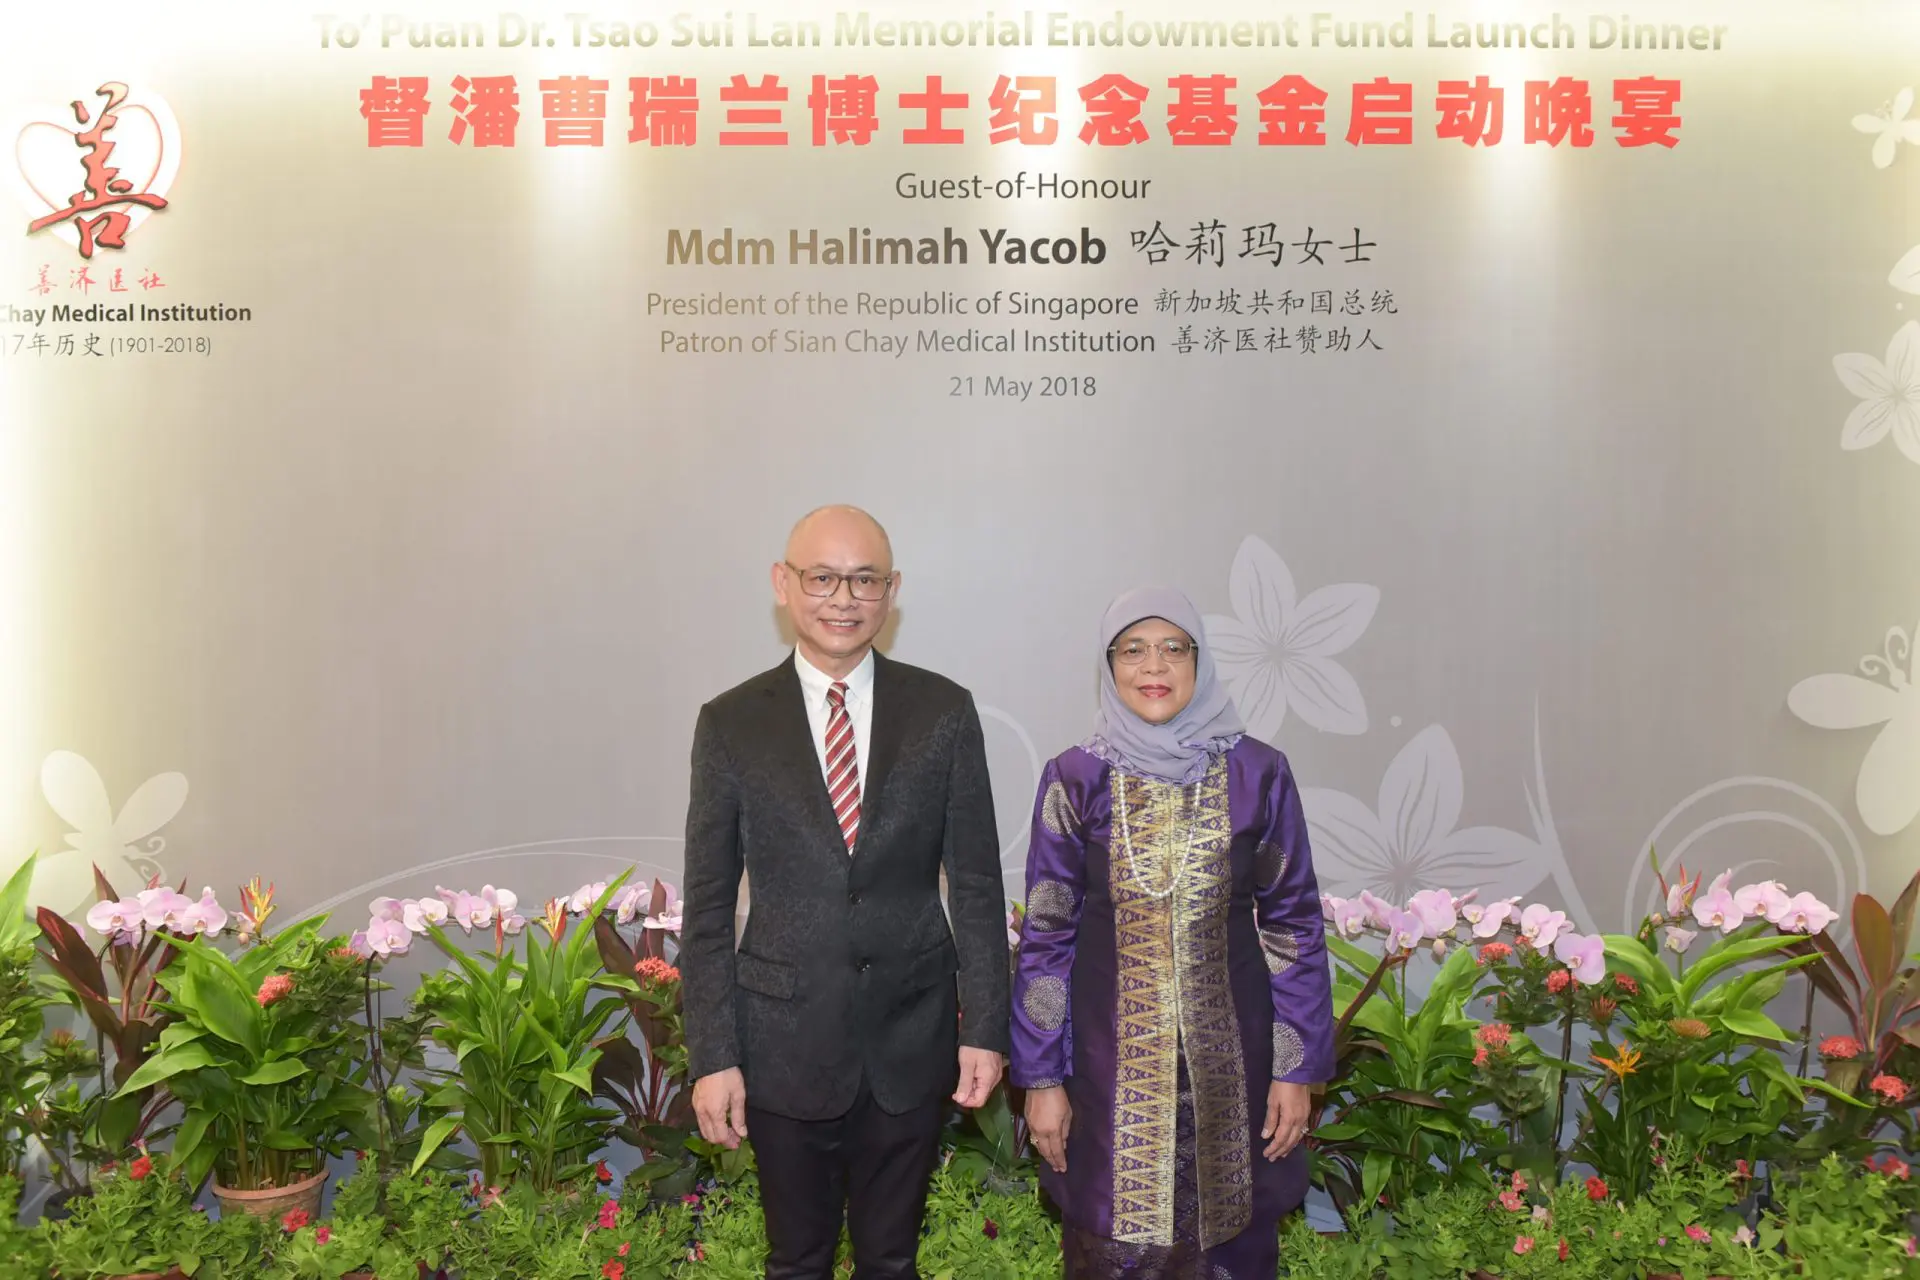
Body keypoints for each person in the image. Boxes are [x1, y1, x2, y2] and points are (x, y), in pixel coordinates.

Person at [679, 505, 1010, 1280]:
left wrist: (986, 1028)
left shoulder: (943, 711)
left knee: (892, 1261)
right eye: (822, 577)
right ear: (783, 583)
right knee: (796, 1261)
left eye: (864, 580)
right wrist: (713, 1056)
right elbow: (707, 907)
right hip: (782, 1044)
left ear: (891, 590)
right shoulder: (730, 724)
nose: (843, 598)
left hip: (912, 1037)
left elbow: (976, 883)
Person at [1010, 586, 1336, 1278]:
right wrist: (1040, 1077)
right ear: (1110, 665)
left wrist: (1296, 1068)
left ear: (1198, 660)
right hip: (1107, 1081)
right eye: (1132, 649)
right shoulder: (1076, 778)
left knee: (1231, 1249)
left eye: (1172, 648)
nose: (1153, 666)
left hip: (1236, 1077)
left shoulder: (1259, 774)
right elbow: (1045, 936)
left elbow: (1294, 928)